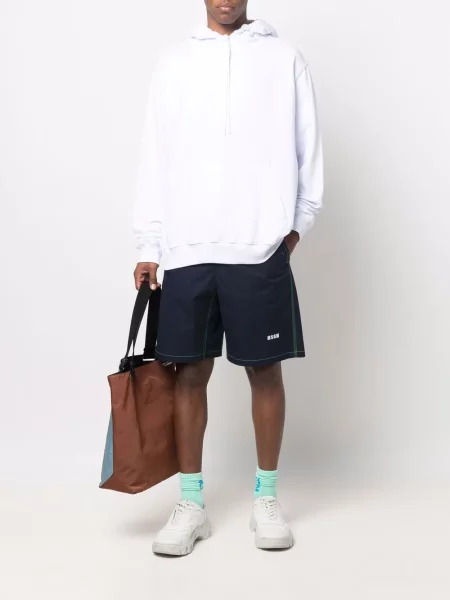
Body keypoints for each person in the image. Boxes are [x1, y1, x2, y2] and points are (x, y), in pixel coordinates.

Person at [133, 0, 323, 556]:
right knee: (189, 375)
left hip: (259, 246)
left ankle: (266, 498)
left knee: (265, 371)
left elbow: (308, 149)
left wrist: (294, 228)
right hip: (186, 247)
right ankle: (191, 503)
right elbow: (155, 154)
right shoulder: (174, 64)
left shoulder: (284, 59)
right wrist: (149, 242)